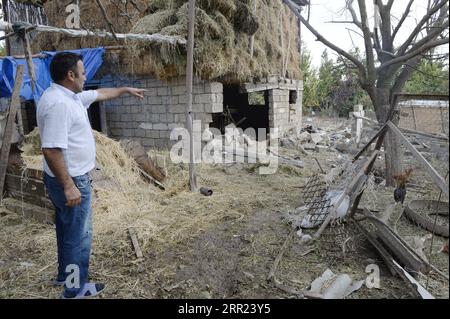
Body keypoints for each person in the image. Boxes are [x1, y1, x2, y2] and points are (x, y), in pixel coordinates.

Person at [37, 52, 145, 299]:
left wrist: (125, 90)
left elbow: (99, 94)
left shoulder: (68, 96)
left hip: (66, 179)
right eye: (83, 73)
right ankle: (74, 289)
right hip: (71, 180)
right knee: (79, 236)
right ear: (70, 75)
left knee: (66, 230)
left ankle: (65, 276)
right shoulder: (59, 104)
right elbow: (51, 149)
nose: (87, 77)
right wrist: (68, 185)